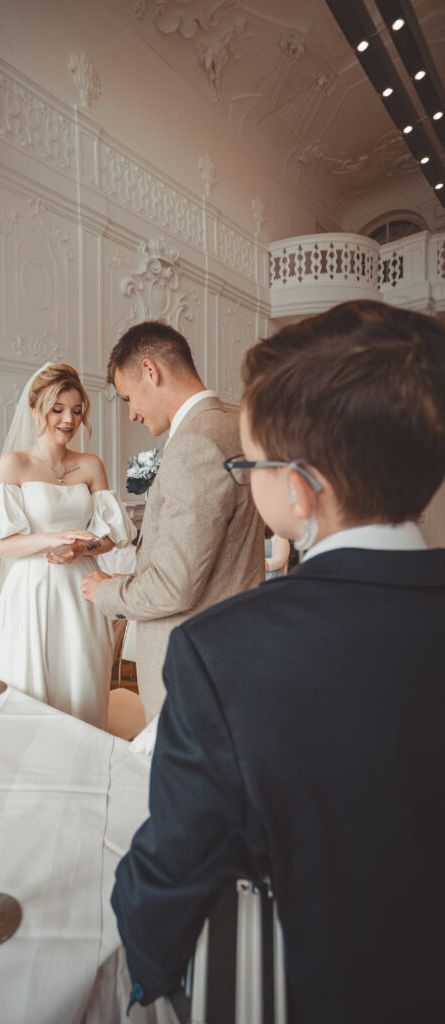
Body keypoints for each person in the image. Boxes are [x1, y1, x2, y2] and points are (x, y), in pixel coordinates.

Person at [111, 300, 445, 1023]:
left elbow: (172, 869)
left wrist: (146, 972)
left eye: (250, 463)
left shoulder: (221, 655)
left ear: (296, 486)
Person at [81, 321, 264, 722]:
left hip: (192, 665)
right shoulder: (235, 424)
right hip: (232, 647)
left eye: (128, 397)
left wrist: (106, 590)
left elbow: (174, 586)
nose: (130, 414)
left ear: (151, 371)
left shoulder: (194, 444)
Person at [0, 363, 135, 729]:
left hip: (80, 588)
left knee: (81, 680)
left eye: (76, 410)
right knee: (30, 686)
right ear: (35, 410)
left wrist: (79, 550)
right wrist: (52, 539)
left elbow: (107, 538)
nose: (68, 420)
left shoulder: (91, 465)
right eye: (57, 409)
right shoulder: (14, 464)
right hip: (30, 590)